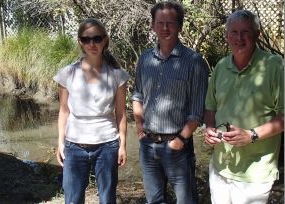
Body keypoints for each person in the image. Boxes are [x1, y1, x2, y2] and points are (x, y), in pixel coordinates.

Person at [131, 1, 209, 203]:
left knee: (186, 200)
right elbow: (137, 95)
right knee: (154, 200)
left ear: (180, 26)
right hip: (148, 145)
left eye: (171, 23)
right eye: (160, 23)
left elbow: (197, 111)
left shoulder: (194, 61)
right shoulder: (145, 58)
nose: (165, 28)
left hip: (178, 146)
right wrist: (140, 128)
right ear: (153, 25)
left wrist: (180, 141)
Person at [204, 10, 283, 204]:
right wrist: (209, 129)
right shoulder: (221, 67)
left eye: (246, 32)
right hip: (221, 167)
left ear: (256, 35)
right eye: (234, 32)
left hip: (255, 173)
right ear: (227, 36)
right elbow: (210, 108)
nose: (239, 38)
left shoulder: (274, 67)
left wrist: (251, 135)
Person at [53, 18, 130, 204]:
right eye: (86, 39)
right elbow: (63, 112)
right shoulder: (68, 73)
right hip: (74, 145)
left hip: (107, 145)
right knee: (72, 199)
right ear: (80, 42)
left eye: (96, 38)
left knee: (107, 198)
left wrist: (123, 145)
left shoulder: (117, 74)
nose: (92, 44)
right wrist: (60, 143)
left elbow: (121, 114)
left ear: (105, 40)